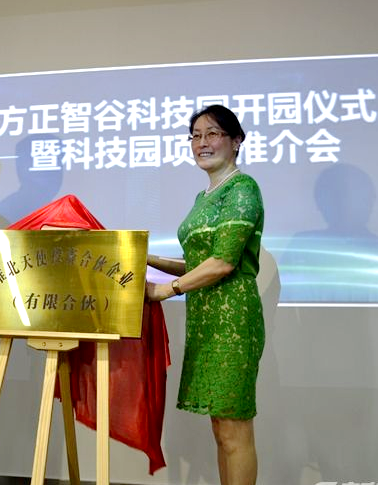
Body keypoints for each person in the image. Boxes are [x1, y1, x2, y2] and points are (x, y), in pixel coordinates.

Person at [146, 104, 264, 485]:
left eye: (212, 133)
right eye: (195, 136)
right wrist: (146, 258)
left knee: (234, 431)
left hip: (232, 321)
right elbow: (197, 263)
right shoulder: (204, 198)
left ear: (236, 140)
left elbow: (223, 262)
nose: (202, 143)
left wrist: (165, 290)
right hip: (206, 321)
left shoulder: (242, 189)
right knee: (220, 430)